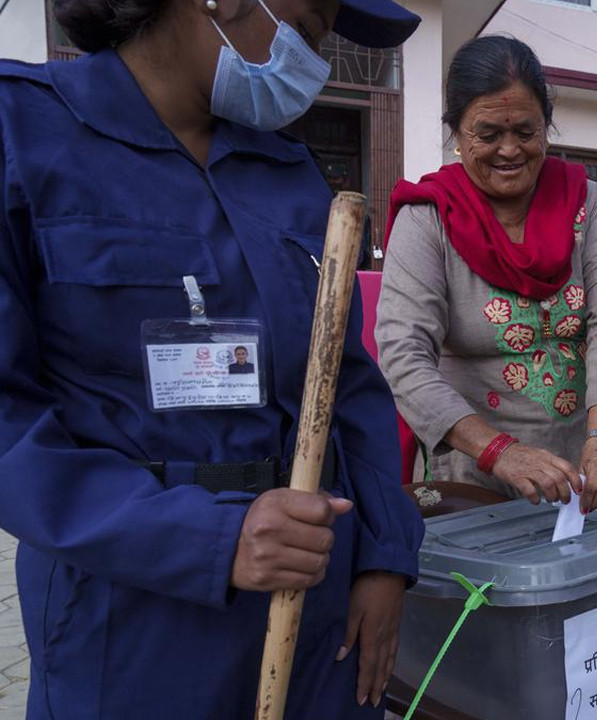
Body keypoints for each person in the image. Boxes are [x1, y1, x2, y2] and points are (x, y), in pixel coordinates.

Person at [0, 0, 426, 716]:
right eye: (314, 21)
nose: (319, 56)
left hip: (318, 606)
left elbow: (349, 387)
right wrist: (210, 539)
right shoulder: (24, 136)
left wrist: (384, 557)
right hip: (133, 615)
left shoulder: (291, 174)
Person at [377, 36, 597, 513]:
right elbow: (404, 356)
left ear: (547, 126)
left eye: (525, 131)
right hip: (466, 473)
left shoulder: (590, 204)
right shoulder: (427, 217)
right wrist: (501, 452)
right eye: (489, 133)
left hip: (573, 472)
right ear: (457, 133)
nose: (509, 150)